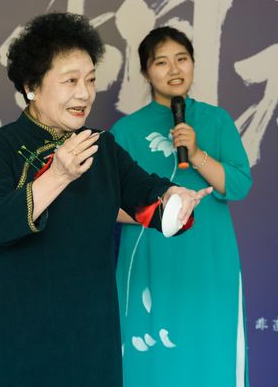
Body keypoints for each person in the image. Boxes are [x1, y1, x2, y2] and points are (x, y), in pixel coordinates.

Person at [0, 13, 211, 387]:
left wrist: (175, 199)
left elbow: (147, 197)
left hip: (92, 326)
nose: (84, 93)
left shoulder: (103, 147)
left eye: (91, 80)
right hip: (24, 325)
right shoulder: (0, 147)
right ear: (31, 86)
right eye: (70, 81)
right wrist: (57, 175)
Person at [113, 26, 253, 386]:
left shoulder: (216, 120)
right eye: (161, 62)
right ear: (145, 72)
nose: (174, 69)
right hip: (150, 256)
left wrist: (197, 152)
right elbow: (106, 204)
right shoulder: (125, 131)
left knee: (210, 355)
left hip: (208, 254)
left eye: (182, 59)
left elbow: (238, 185)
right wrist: (161, 215)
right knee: (150, 360)